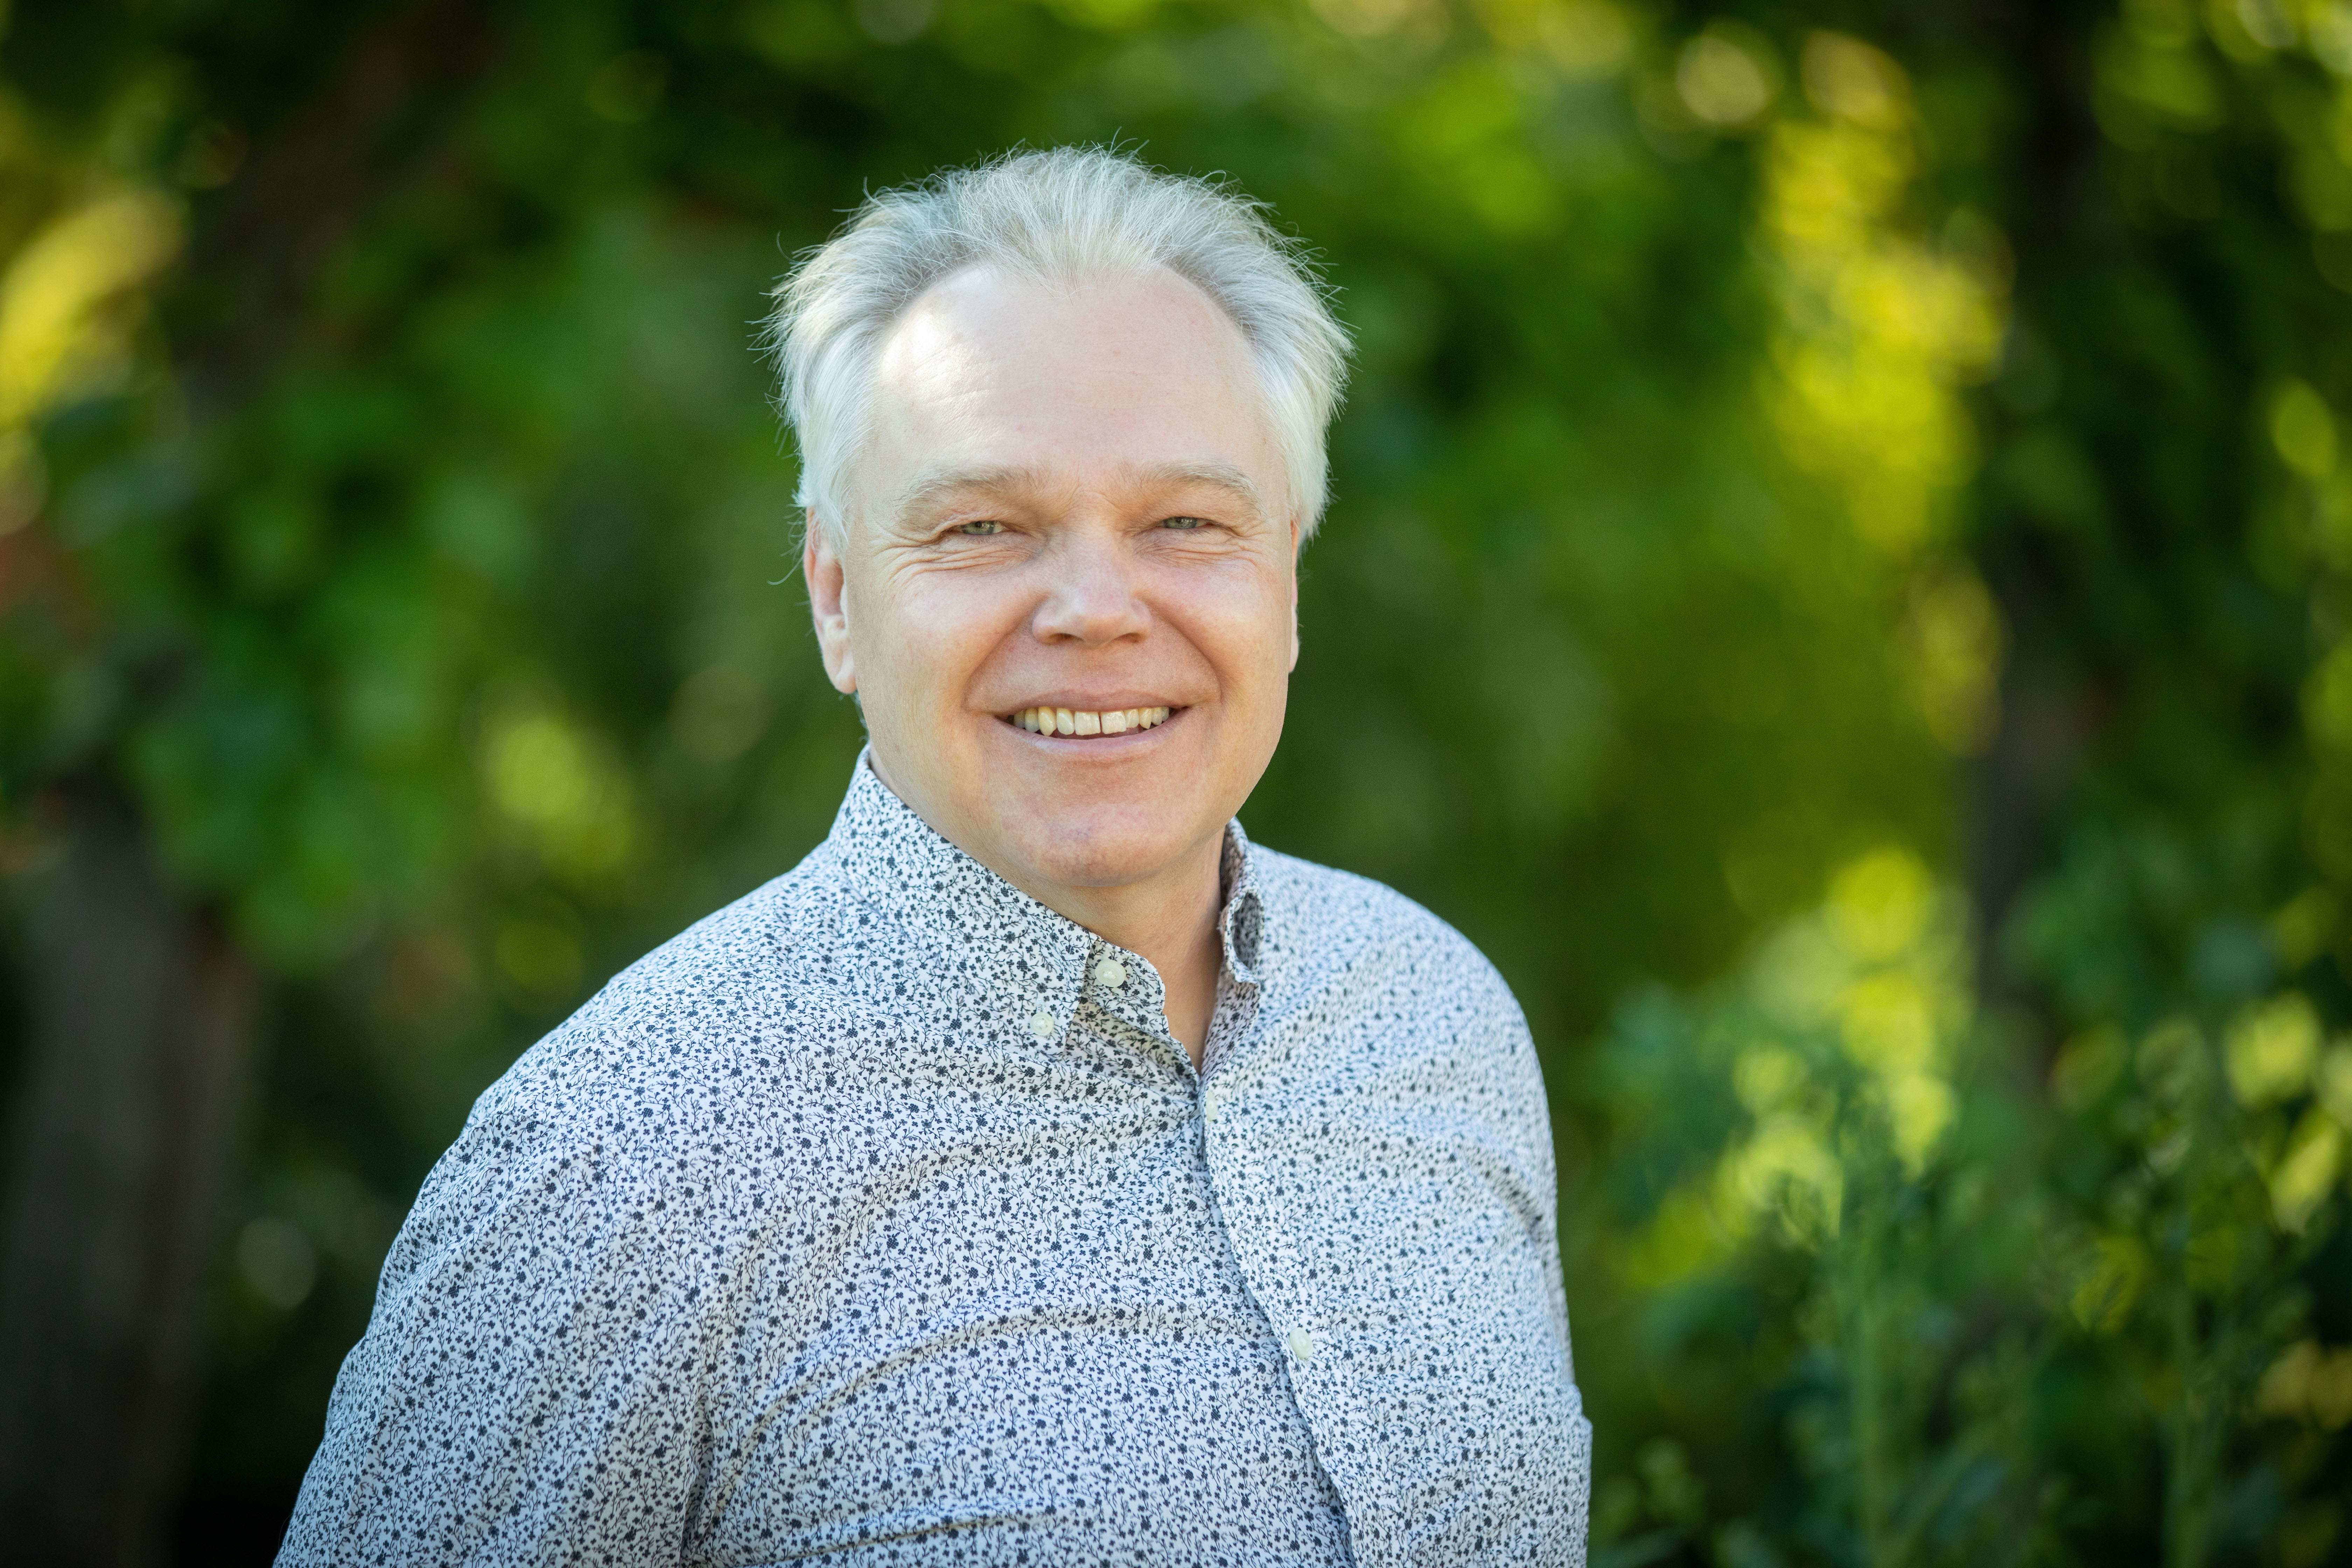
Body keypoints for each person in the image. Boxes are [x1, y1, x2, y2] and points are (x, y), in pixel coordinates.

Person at [279, 146, 1590, 1567]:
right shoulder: (620, 1164)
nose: (1097, 607)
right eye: (983, 528)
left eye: (1186, 525)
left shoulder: (1436, 1017)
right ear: (837, 596)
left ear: (1287, 576)